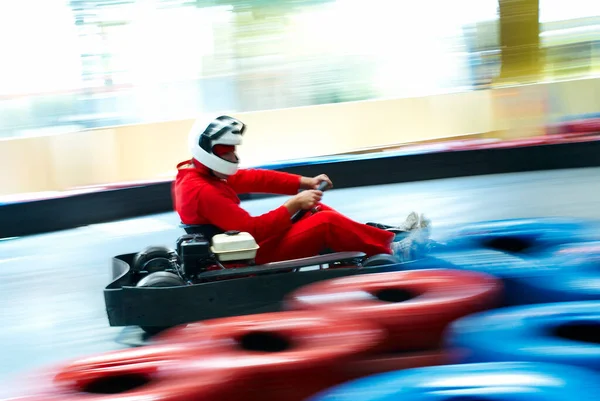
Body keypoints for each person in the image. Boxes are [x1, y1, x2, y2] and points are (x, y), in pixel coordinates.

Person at [172, 115, 430, 265]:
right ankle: (394, 249)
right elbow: (253, 231)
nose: (231, 155)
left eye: (232, 149)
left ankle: (387, 237)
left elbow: (256, 179)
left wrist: (304, 182)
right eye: (223, 151)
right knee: (324, 222)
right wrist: (294, 204)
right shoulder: (201, 190)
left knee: (316, 208)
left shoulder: (200, 173)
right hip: (245, 256)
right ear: (205, 150)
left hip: (239, 247)